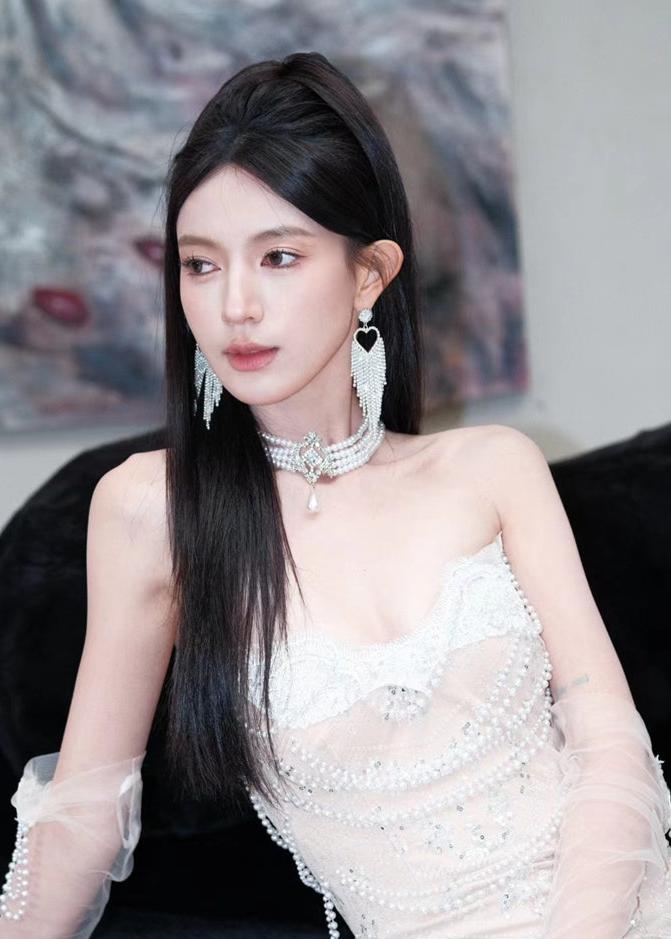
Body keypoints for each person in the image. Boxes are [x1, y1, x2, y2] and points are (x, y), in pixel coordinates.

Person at [1, 50, 670, 939]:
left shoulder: (494, 470)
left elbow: (609, 742)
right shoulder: (151, 512)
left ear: (368, 274)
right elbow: (81, 821)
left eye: (278, 257)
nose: (236, 305)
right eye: (200, 265)